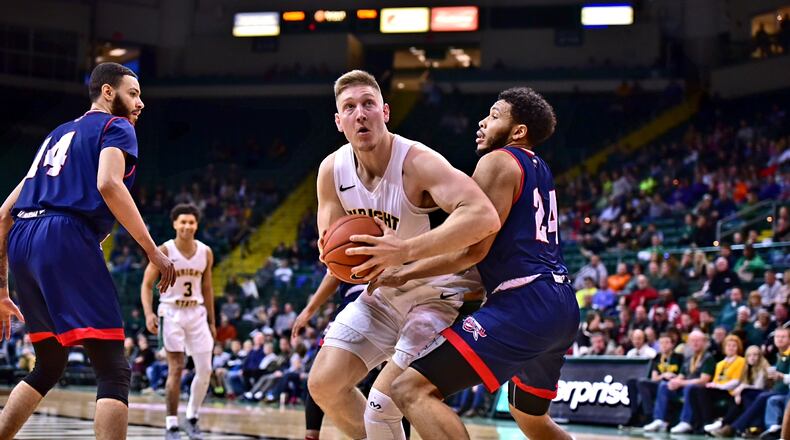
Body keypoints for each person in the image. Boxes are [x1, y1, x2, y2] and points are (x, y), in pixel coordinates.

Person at [307, 70, 498, 440]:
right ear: (339, 121)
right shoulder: (332, 170)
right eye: (350, 107)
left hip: (437, 294)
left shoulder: (417, 161)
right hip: (384, 293)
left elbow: (483, 216)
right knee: (324, 384)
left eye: (368, 104)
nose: (360, 114)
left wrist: (405, 250)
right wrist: (338, 257)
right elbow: (332, 250)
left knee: (383, 403)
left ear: (385, 112)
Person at [378, 87, 579, 439]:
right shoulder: (539, 167)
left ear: (518, 131)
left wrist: (405, 266)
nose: (483, 122)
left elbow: (472, 250)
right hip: (561, 304)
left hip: (524, 302)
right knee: (530, 418)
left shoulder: (498, 160)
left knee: (409, 389)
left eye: (495, 115)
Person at [0, 62, 175, 440]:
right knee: (113, 369)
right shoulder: (117, 126)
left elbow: (3, 215)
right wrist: (153, 251)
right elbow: (109, 184)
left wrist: (1, 290)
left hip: (23, 239)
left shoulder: (56, 135)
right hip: (63, 235)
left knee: (49, 363)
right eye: (133, 93)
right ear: (107, 92)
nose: (140, 103)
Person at [141, 203, 215, 440]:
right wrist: (149, 313)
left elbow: (207, 287)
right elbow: (146, 284)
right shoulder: (164, 249)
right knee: (177, 367)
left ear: (197, 225)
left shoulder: (206, 252)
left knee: (205, 369)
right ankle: (171, 424)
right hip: (171, 312)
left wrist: (212, 321)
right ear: (174, 224)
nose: (187, 226)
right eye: (182, 221)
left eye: (191, 222)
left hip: (197, 312)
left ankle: (191, 417)